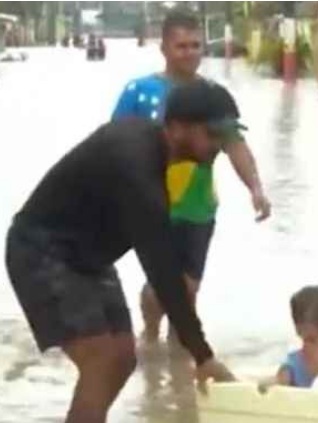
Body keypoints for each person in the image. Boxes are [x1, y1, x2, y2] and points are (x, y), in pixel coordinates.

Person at [4, 79, 266, 423]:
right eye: (212, 134)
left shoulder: (159, 156)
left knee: (123, 358)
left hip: (90, 259)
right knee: (101, 358)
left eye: (226, 136)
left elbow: (163, 266)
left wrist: (198, 351)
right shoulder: (136, 167)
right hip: (41, 250)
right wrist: (202, 355)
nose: (218, 145)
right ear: (175, 128)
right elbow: (162, 270)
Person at [111, 9, 271, 343]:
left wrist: (256, 188)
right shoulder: (139, 92)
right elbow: (114, 145)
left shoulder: (214, 98)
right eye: (181, 46)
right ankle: (151, 337)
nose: (190, 53)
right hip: (153, 205)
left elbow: (235, 146)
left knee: (189, 286)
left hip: (198, 208)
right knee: (160, 286)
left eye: (196, 45)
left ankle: (178, 344)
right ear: (165, 48)